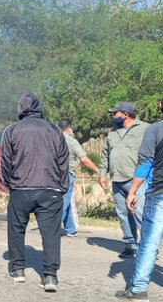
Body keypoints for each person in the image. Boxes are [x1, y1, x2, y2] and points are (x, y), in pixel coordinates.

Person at [0, 92, 69, 292]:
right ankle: (50, 276)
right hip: (50, 188)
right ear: (39, 108)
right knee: (51, 233)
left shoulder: (11, 130)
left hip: (20, 188)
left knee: (16, 228)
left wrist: (10, 184)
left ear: (20, 109)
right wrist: (62, 187)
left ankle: (18, 269)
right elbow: (63, 161)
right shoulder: (54, 130)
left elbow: (4, 161)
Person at [115, 99, 163, 301]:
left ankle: (138, 290)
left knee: (149, 242)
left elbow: (145, 163)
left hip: (159, 193)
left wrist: (133, 191)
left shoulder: (154, 130)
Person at [99, 102, 149, 258]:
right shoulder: (112, 133)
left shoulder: (145, 129)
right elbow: (105, 155)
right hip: (117, 179)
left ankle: (148, 247)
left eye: (115, 113)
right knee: (123, 214)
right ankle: (130, 244)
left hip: (138, 180)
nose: (113, 116)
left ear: (125, 114)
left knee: (141, 213)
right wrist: (102, 174)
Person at [58, 119, 99, 237]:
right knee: (64, 201)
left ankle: (70, 229)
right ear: (69, 128)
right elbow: (84, 159)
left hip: (53, 174)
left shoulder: (52, 140)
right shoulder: (72, 142)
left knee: (66, 201)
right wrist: (97, 170)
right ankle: (54, 226)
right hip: (66, 174)